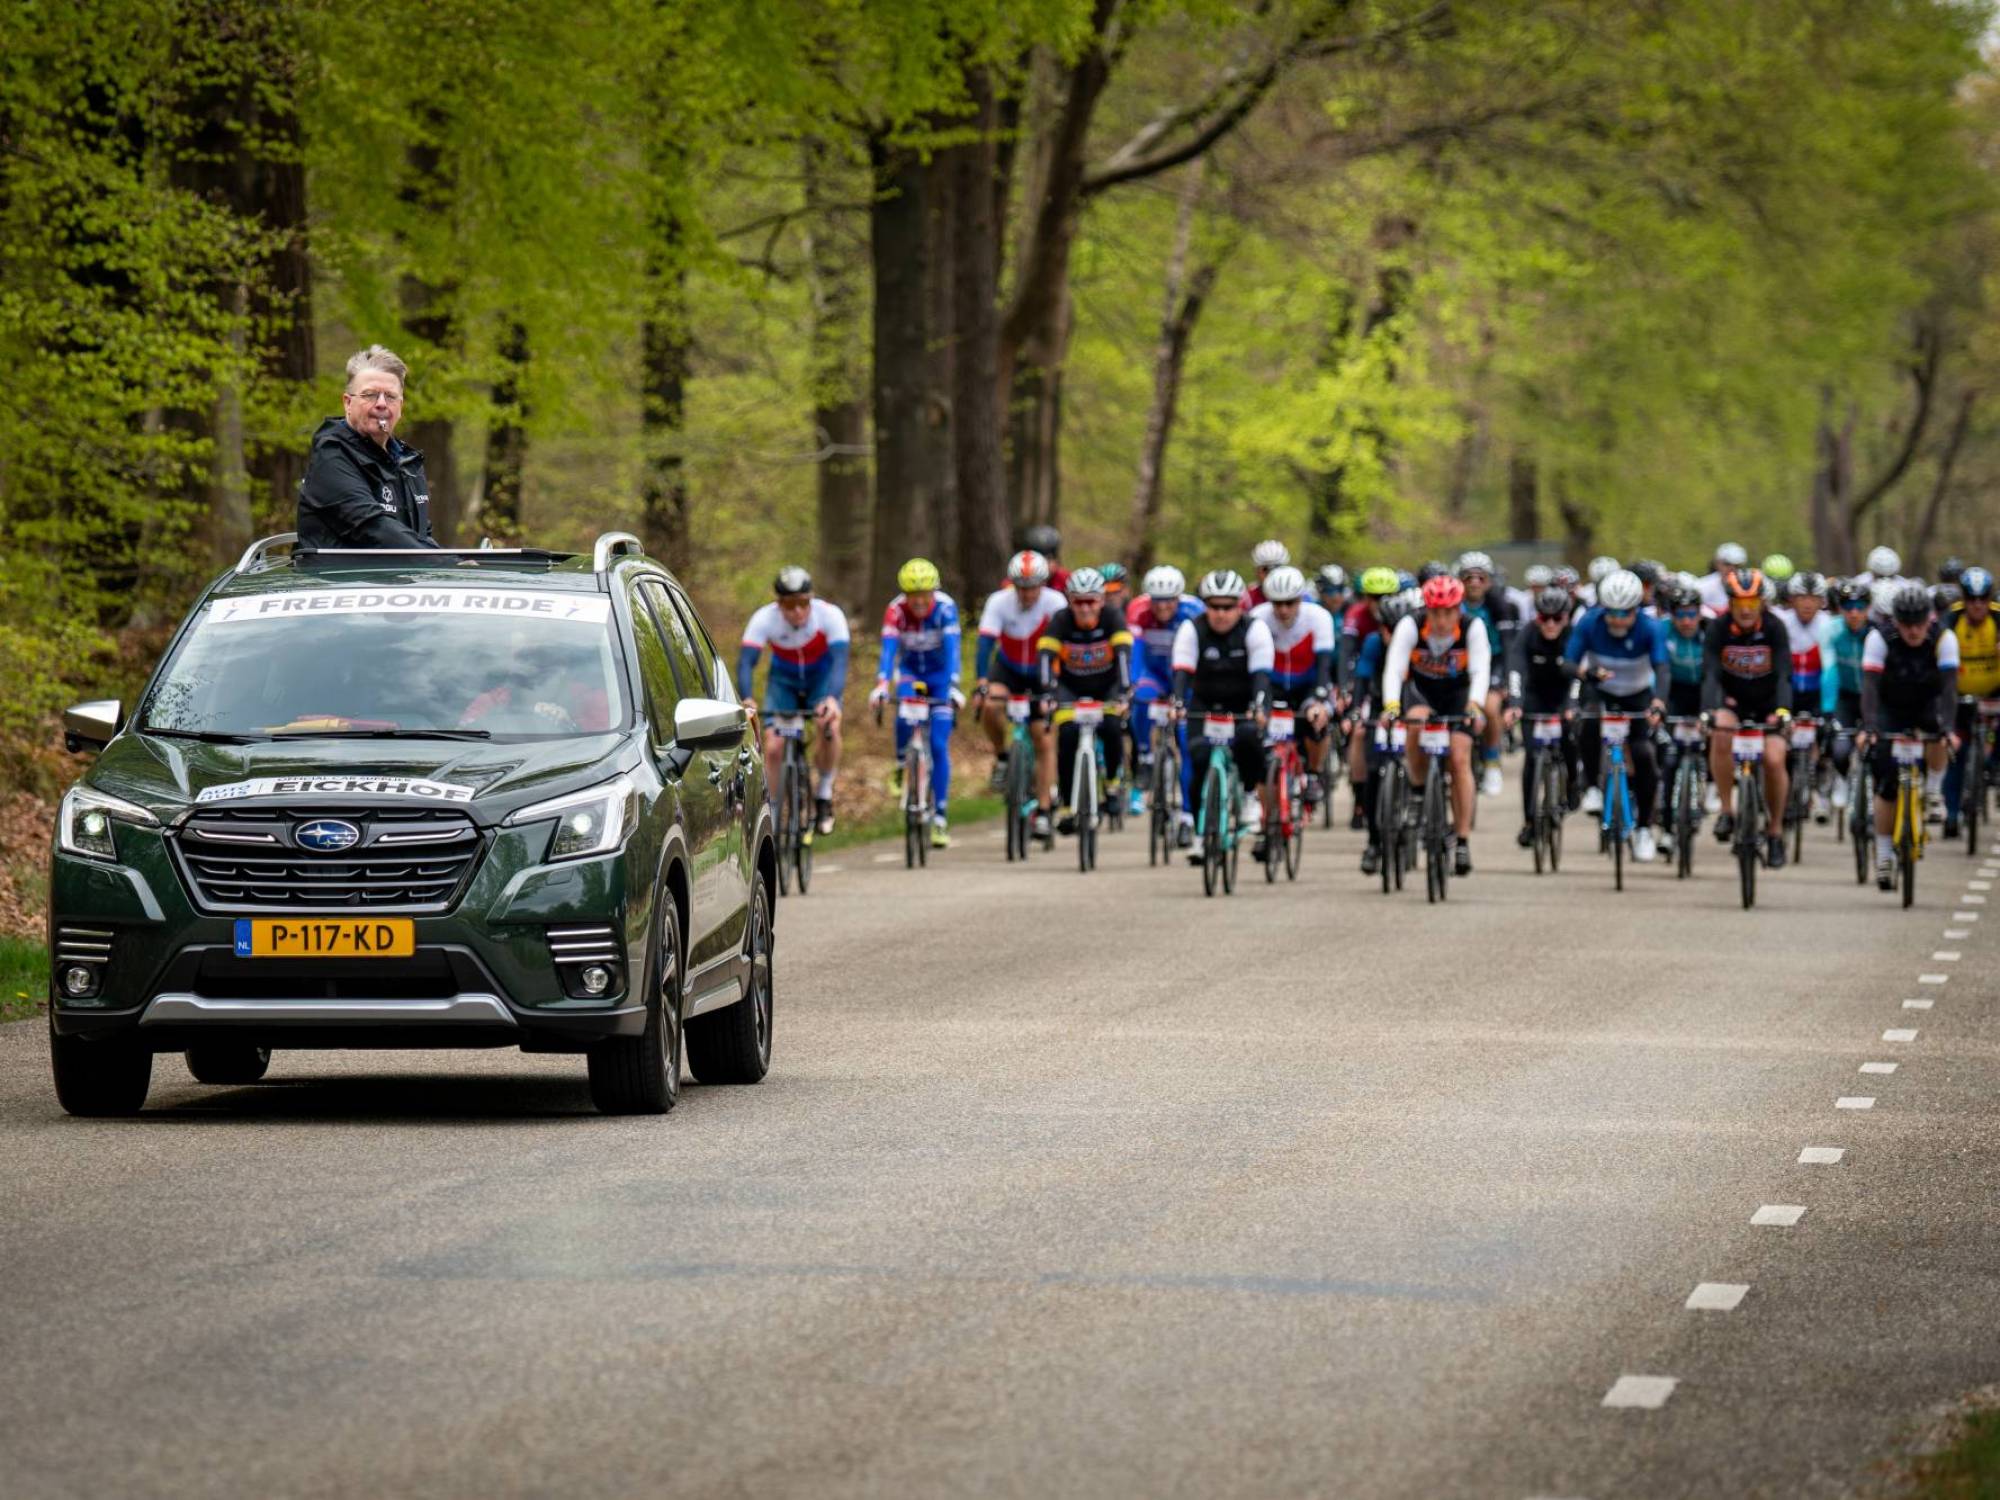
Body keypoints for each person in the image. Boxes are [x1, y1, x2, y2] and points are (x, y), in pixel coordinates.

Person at [1381, 573, 1490, 876]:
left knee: (1459, 758)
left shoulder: (1472, 626)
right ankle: (1418, 790)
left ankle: (1463, 838)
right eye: (1436, 613)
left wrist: (1475, 704)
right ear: (1426, 610)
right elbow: (1394, 669)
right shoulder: (1410, 625)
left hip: (1458, 696)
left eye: (1448, 612)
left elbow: (1480, 670)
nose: (1442, 620)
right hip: (1423, 692)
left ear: (1458, 609)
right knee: (1415, 723)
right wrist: (1391, 706)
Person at [1564, 570, 1668, 862]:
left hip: (1637, 694)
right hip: (1601, 691)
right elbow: (1568, 663)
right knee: (1587, 723)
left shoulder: (1650, 628)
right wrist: (1586, 672)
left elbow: (1662, 668)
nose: (1618, 620)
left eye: (1625, 613)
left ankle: (1644, 828)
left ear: (1636, 609)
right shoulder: (1589, 623)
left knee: (1644, 755)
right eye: (1612, 612)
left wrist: (1658, 702)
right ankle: (1592, 787)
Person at [738, 566, 849, 835]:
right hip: (784, 683)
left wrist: (832, 699)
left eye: (803, 603)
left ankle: (824, 794)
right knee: (774, 746)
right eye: (789, 604)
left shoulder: (830, 615)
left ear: (811, 599)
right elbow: (746, 662)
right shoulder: (764, 618)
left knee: (829, 725)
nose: (797, 611)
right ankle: (772, 813)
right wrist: (747, 697)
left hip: (821, 681)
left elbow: (840, 661)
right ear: (779, 604)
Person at [1861, 584, 1960, 888]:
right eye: (1906, 624)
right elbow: (1870, 687)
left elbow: (1950, 690)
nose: (1914, 631)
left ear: (1929, 619)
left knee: (1939, 734)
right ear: (1896, 621)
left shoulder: (1944, 638)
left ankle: (1933, 792)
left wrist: (1948, 728)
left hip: (1928, 704)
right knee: (1887, 785)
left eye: (1919, 623)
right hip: (1890, 707)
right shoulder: (1879, 638)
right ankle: (1883, 855)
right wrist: (1869, 728)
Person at [1172, 571, 1274, 863]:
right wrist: (1177, 703)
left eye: (1228, 607)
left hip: (1243, 704)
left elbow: (1262, 676)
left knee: (1249, 739)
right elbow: (1182, 672)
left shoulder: (1254, 629)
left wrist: (1259, 707)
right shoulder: (1192, 629)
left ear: (1239, 606)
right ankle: (1199, 832)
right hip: (1204, 705)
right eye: (1214, 606)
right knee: (1198, 759)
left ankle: (1249, 795)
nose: (1220, 613)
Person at [298, 345, 436, 549]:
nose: (381, 404)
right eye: (370, 395)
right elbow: (374, 529)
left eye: (390, 396)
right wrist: (447, 562)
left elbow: (421, 537)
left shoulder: (408, 463)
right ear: (347, 403)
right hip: (344, 571)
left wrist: (458, 562)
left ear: (400, 406)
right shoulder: (331, 457)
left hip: (400, 570)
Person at [1703, 566, 1793, 867]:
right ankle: (1727, 810)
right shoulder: (1717, 628)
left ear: (1761, 603)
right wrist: (1709, 710)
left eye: (1752, 603)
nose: (1746, 610)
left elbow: (1784, 673)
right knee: (1720, 733)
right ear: (1730, 604)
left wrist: (1783, 710)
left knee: (1774, 759)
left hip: (1769, 704)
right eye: (1740, 603)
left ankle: (1775, 832)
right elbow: (1711, 674)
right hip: (1734, 701)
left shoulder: (1775, 627)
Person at [975, 550, 1067, 838]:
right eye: (1021, 588)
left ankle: (1044, 809)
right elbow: (985, 644)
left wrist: (1057, 685)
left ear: (1043, 584)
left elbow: (1065, 647)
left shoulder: (1055, 602)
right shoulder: (998, 602)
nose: (1027, 594)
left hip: (1042, 673)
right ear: (1012, 584)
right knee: (990, 704)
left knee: (1044, 738)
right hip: (1009, 668)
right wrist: (981, 681)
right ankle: (1003, 756)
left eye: (1033, 587)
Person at [872, 558, 962, 848]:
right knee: (903, 717)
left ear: (934, 592)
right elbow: (888, 651)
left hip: (940, 678)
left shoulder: (946, 608)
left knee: (938, 744)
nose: (920, 602)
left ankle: (940, 818)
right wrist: (882, 684)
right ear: (905, 595)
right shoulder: (895, 611)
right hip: (910, 673)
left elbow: (953, 651)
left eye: (925, 595)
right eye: (913, 596)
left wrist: (953, 686)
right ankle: (901, 763)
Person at [1038, 570, 1134, 835]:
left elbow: (1124, 657)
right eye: (1078, 602)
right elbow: (1045, 658)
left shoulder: (1113, 618)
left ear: (1101, 600)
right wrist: (1047, 693)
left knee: (1112, 727)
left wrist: (1123, 692)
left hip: (1107, 686)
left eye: (1090, 601)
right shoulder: (1061, 620)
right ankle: (1067, 804)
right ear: (1070, 601)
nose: (1084, 608)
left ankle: (1113, 783)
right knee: (1067, 736)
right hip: (1071, 687)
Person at [1249, 565, 1337, 823]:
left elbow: (1324, 665)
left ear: (1300, 599)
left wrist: (1319, 700)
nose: (1284, 610)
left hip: (1307, 685)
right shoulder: (1258, 618)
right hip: (1273, 685)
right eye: (1277, 603)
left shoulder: (1318, 617)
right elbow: (1253, 668)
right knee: (1260, 746)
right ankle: (1267, 819)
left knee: (1317, 720)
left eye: (1290, 603)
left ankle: (1313, 773)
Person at [1128, 565, 1203, 835]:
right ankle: (1145, 756)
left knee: (1186, 744)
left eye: (1169, 600)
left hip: (1186, 676)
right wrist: (1132, 683)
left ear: (1178, 598)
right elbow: (1135, 653)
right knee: (1141, 699)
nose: (1162, 607)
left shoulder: (1194, 611)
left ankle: (1187, 815)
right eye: (1157, 601)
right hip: (1155, 674)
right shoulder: (1138, 610)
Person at [1506, 585, 1579, 848]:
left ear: (1566, 618)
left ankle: (1573, 783)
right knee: (1531, 758)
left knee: (1571, 739)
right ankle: (1529, 821)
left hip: (1564, 697)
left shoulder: (1573, 636)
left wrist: (1572, 705)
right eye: (1544, 618)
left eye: (1557, 618)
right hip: (1534, 698)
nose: (1550, 624)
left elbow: (1579, 675)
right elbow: (1515, 669)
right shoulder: (1528, 634)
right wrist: (1515, 704)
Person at [1943, 565, 1998, 838]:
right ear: (1963, 599)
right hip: (1959, 694)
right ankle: (1952, 814)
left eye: (1983, 599)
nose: (1977, 605)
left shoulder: (1998, 618)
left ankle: (1993, 767)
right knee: (1957, 753)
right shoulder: (1951, 619)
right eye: (1971, 599)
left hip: (1994, 691)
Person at [1457, 551, 1515, 796]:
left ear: (1489, 581)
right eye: (1468, 577)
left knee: (1490, 708)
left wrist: (1507, 680)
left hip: (1493, 662)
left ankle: (1492, 760)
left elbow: (1509, 645)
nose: (1474, 583)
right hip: (1461, 662)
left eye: (1480, 578)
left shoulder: (1499, 605)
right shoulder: (1453, 604)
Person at [1824, 578, 1873, 811]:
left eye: (1860, 607)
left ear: (1868, 609)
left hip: (1872, 698)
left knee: (1877, 750)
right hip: (1845, 697)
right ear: (1840, 609)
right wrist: (1827, 710)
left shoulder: (1876, 634)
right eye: (1848, 607)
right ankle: (1842, 779)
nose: (1854, 613)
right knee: (1841, 749)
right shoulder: (1832, 631)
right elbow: (1828, 670)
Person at [1697, 542, 1750, 615]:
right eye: (1727, 564)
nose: (1732, 569)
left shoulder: (1750, 586)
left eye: (1737, 566)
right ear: (1717, 564)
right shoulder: (1703, 586)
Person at [1245, 540, 1291, 608]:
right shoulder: (1248, 596)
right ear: (1256, 572)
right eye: (1265, 569)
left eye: (1277, 568)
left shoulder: (1298, 593)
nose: (1272, 574)